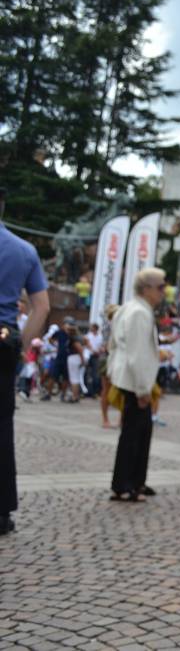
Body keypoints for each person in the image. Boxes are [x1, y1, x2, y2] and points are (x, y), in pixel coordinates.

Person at [1, 187, 50, 535]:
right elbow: (42, 307)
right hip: (3, 341)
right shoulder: (24, 249)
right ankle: (1, 512)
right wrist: (20, 347)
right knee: (2, 426)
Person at [107, 268, 164, 502]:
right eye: (160, 286)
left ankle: (134, 480)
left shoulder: (130, 308)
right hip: (134, 381)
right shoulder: (139, 312)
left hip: (127, 377)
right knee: (134, 435)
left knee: (139, 433)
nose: (164, 291)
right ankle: (126, 484)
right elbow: (137, 354)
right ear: (146, 288)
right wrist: (143, 389)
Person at [85, 322, 103, 396]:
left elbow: (101, 345)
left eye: (92, 327)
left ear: (95, 328)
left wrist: (98, 351)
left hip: (96, 356)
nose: (90, 328)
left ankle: (95, 391)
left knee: (95, 374)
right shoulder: (88, 335)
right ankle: (86, 390)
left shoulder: (100, 336)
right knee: (86, 373)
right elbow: (87, 344)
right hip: (89, 355)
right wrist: (93, 351)